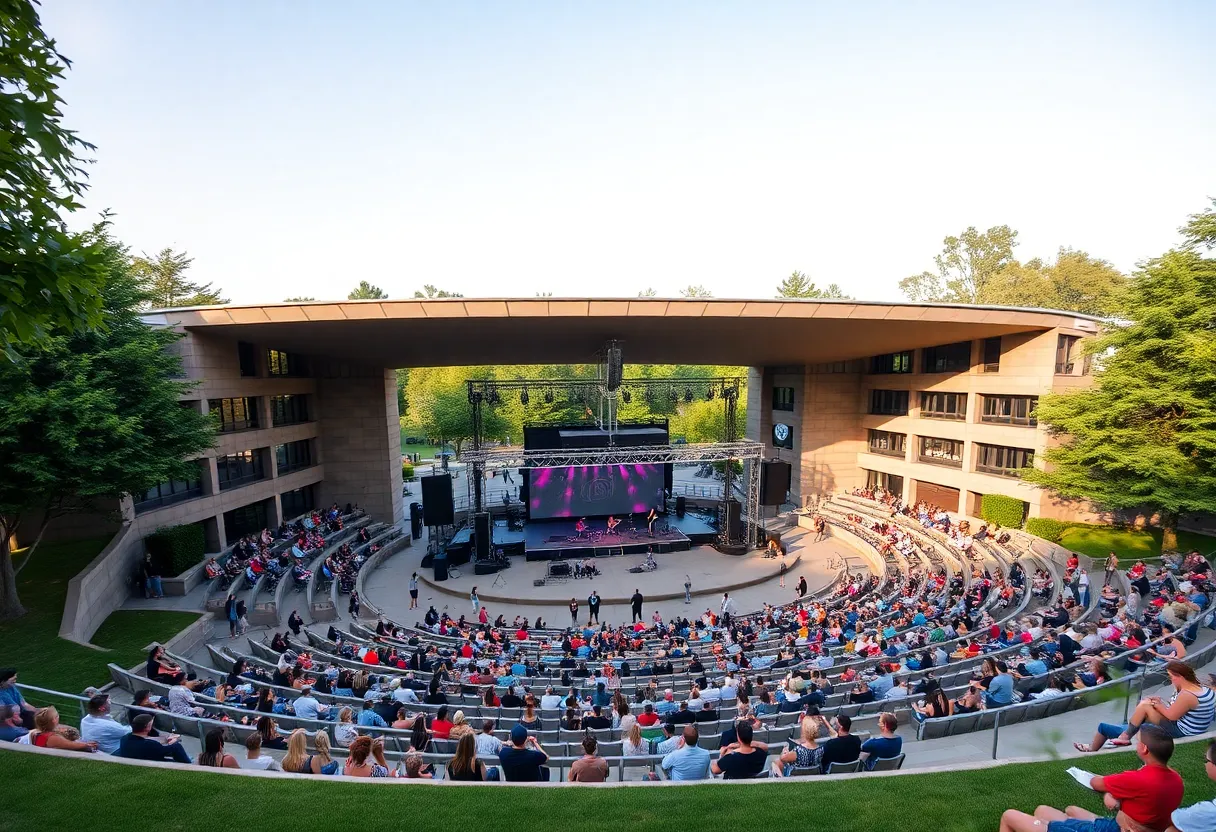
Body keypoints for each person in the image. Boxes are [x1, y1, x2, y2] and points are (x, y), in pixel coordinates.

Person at [998, 726, 1183, 832]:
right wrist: (1117, 798)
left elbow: (1096, 783)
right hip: (1116, 825)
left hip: (1112, 829)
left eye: (1138, 742)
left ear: (1144, 749)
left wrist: (1110, 792)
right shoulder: (1176, 780)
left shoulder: (1136, 779)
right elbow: (1146, 802)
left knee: (1009, 815)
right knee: (1045, 810)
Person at [1076, 661, 1214, 752]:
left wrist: (1158, 705)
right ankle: (1124, 735)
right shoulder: (1202, 689)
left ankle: (1124, 737)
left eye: (1171, 677)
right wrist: (1160, 703)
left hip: (1182, 731)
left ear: (1179, 677)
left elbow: (1172, 716)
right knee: (1147, 706)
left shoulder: (1187, 694)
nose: (1171, 680)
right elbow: (1180, 709)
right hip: (1189, 727)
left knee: (1144, 706)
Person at [1168, 739, 1216, 832]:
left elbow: (1173, 819)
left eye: (1206, 759)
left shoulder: (1209, 811)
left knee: (1170, 829)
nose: (1205, 764)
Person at [114, 714, 191, 763]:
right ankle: (190, 767)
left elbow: (148, 740)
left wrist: (164, 739)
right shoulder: (149, 745)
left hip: (136, 760)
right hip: (149, 764)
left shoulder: (124, 738)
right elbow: (161, 748)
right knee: (177, 747)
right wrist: (174, 742)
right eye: (151, 724)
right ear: (147, 727)